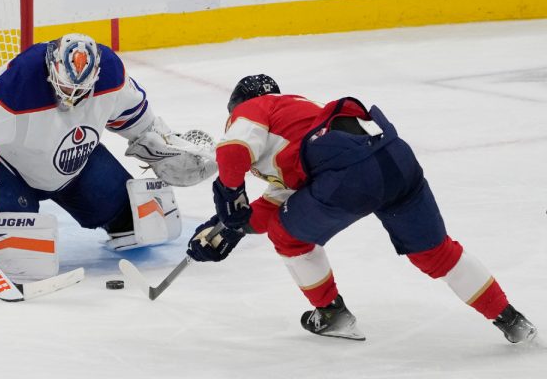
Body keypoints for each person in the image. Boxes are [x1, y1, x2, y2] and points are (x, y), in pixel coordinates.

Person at [186, 74, 537, 344]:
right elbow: (282, 202)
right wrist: (231, 225)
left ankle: (333, 314)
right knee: (435, 252)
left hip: (349, 173)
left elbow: (232, 153)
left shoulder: (256, 108)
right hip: (394, 157)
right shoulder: (299, 121)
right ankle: (511, 319)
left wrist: (230, 195)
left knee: (288, 239)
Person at [0, 33, 216, 279]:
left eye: (81, 91)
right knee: (25, 258)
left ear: (96, 77)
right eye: (65, 88)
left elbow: (144, 127)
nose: (72, 98)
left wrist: (168, 150)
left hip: (76, 162)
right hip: (7, 167)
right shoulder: (13, 90)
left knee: (147, 225)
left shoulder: (113, 78)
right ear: (51, 69)